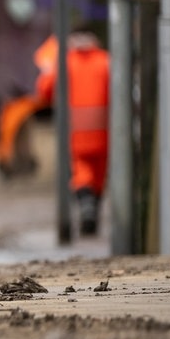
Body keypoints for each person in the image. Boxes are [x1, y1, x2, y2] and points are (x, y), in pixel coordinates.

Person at [35, 29, 110, 236]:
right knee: (99, 175)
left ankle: (86, 208)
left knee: (81, 173)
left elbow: (45, 90)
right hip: (104, 129)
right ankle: (92, 208)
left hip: (75, 130)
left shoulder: (64, 62)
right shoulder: (106, 61)